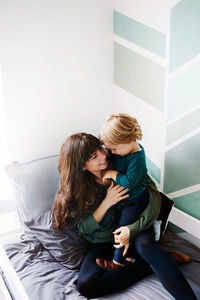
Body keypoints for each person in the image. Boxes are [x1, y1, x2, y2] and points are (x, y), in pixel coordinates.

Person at [51, 132, 197, 300]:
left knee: (146, 244)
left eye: (100, 148)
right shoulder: (78, 190)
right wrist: (107, 202)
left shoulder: (122, 162)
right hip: (105, 242)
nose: (102, 155)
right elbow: (84, 229)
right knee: (86, 285)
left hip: (135, 229)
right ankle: (149, 265)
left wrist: (131, 229)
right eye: (93, 156)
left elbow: (153, 196)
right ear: (82, 166)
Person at [96, 113, 158, 271]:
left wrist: (113, 174)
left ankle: (117, 263)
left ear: (128, 140)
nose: (112, 152)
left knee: (122, 228)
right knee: (117, 223)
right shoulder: (122, 148)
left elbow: (130, 183)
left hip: (135, 200)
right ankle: (129, 256)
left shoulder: (137, 157)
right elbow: (109, 149)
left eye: (114, 149)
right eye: (110, 149)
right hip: (124, 199)